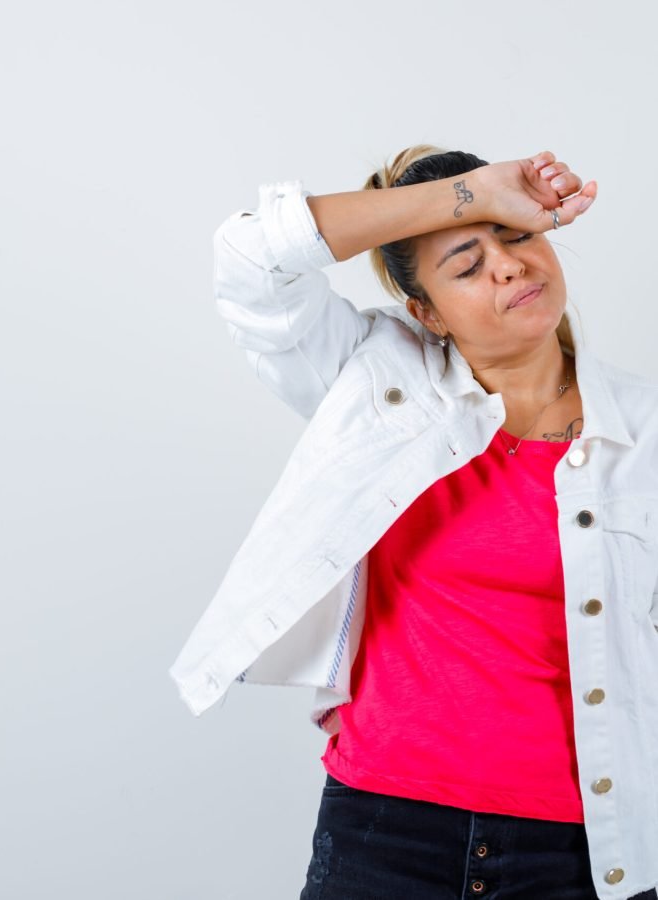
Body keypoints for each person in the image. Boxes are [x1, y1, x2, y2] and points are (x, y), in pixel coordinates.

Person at [168, 146, 658, 900]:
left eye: (519, 236)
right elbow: (251, 260)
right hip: (385, 832)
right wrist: (471, 194)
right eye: (466, 264)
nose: (508, 267)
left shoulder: (644, 430)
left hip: (585, 848)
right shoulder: (372, 379)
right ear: (424, 312)